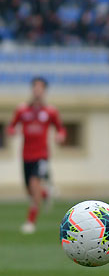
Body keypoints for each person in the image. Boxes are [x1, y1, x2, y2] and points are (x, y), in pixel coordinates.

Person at [7, 77, 66, 234]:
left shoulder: (50, 111)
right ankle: (46, 192)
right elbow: (11, 127)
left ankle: (30, 222)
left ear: (44, 91)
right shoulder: (22, 110)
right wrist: (13, 131)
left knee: (34, 185)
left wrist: (60, 136)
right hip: (26, 155)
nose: (37, 91)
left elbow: (61, 129)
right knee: (29, 190)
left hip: (41, 155)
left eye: (41, 88)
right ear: (32, 90)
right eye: (35, 88)